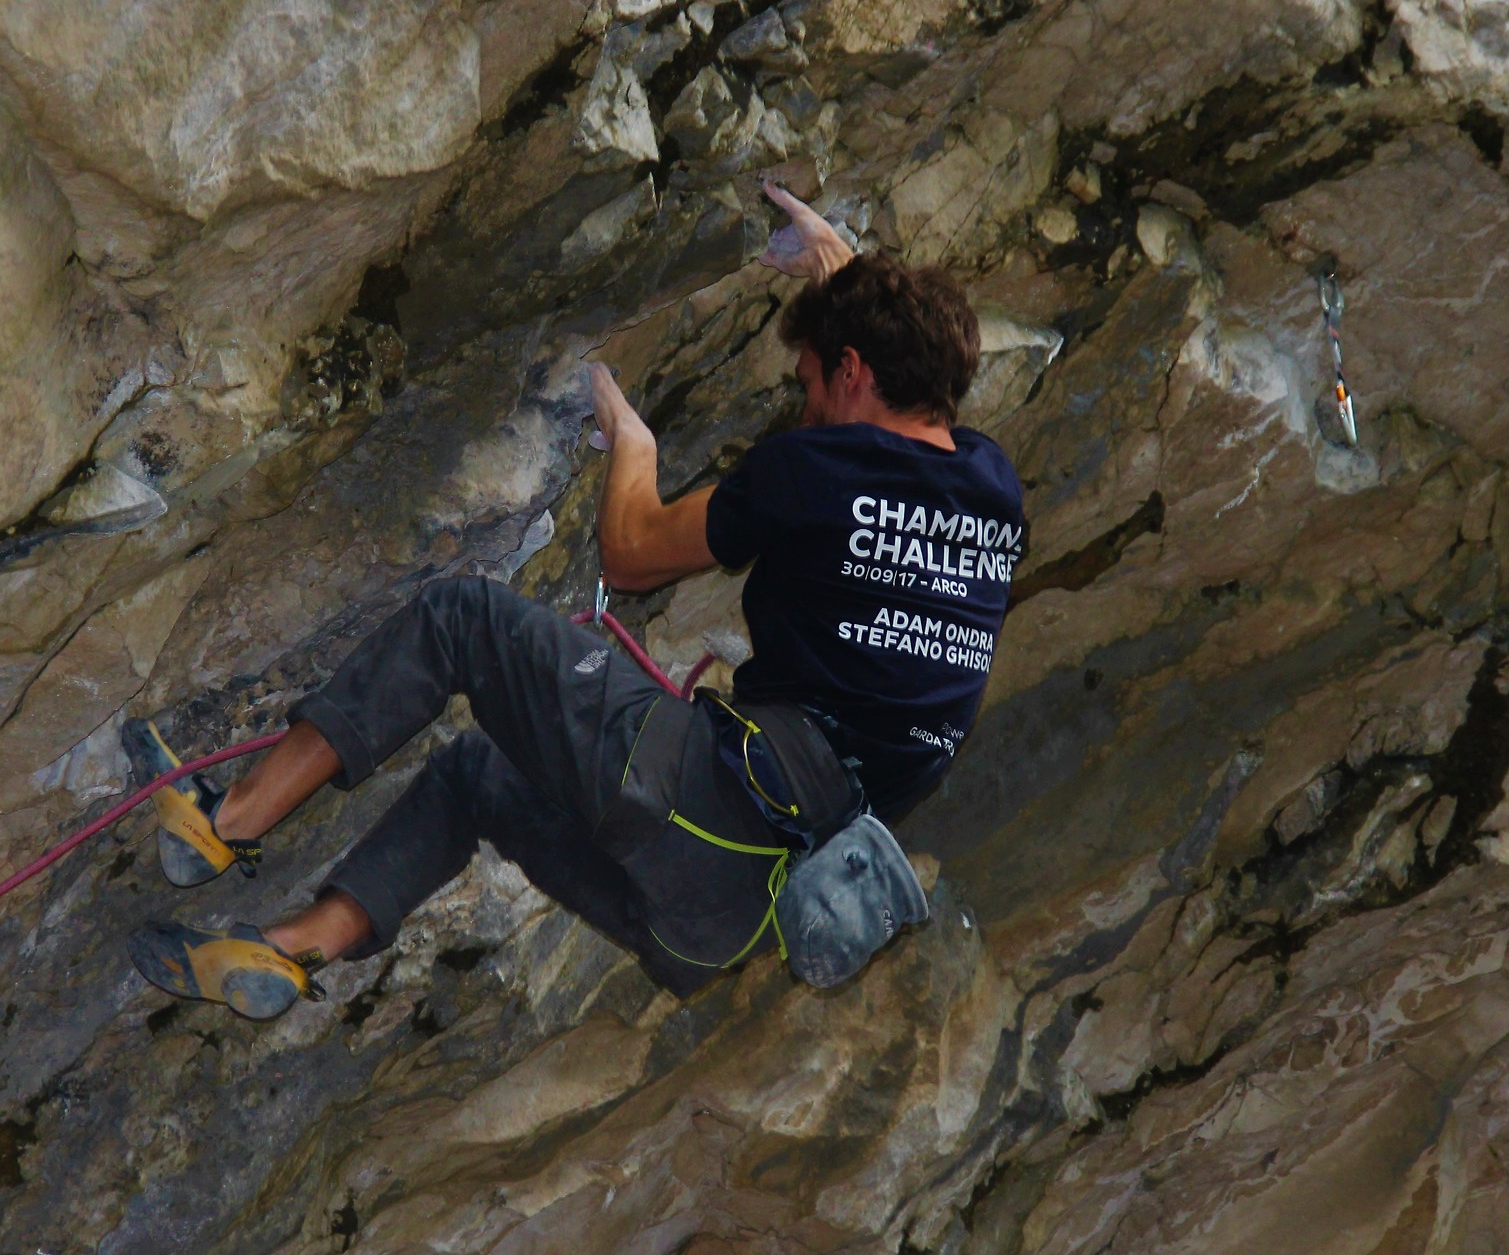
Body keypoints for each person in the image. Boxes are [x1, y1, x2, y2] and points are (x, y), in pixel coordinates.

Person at [127, 180, 1028, 1017]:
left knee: (462, 619)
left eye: (810, 386)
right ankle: (292, 949)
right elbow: (894, 405)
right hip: (734, 915)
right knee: (477, 777)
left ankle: (224, 821)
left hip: (708, 802)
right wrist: (839, 270)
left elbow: (632, 554)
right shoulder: (994, 490)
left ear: (853, 372)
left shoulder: (817, 469)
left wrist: (632, 443)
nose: (806, 412)